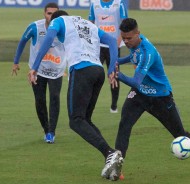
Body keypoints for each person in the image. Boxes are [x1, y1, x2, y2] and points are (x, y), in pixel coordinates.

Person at [113, 18, 190, 178]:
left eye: (129, 38)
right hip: (140, 95)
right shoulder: (136, 45)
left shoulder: (147, 52)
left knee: (180, 134)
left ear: (138, 33)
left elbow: (136, 81)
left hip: (160, 98)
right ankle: (117, 168)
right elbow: (133, 57)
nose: (126, 41)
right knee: (124, 125)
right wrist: (116, 61)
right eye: (123, 38)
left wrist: (116, 73)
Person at [28, 10, 123, 181]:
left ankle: (109, 153)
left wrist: (35, 66)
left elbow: (48, 38)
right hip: (98, 72)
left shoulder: (59, 21)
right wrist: (111, 68)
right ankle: (112, 158)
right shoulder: (88, 24)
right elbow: (111, 40)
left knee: (76, 120)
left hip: (81, 70)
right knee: (86, 119)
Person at [12, 2, 66, 144]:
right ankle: (46, 129)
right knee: (40, 99)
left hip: (56, 70)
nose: (52, 17)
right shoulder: (35, 27)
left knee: (55, 97)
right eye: (49, 13)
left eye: (55, 14)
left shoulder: (65, 28)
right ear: (44, 13)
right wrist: (16, 61)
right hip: (37, 70)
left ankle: (52, 132)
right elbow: (23, 41)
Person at [88, 0, 128, 113]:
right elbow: (90, 23)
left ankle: (114, 105)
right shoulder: (94, 4)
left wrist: (119, 42)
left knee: (114, 75)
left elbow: (125, 24)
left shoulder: (119, 3)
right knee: (93, 75)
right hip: (98, 46)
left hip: (113, 46)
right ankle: (90, 103)